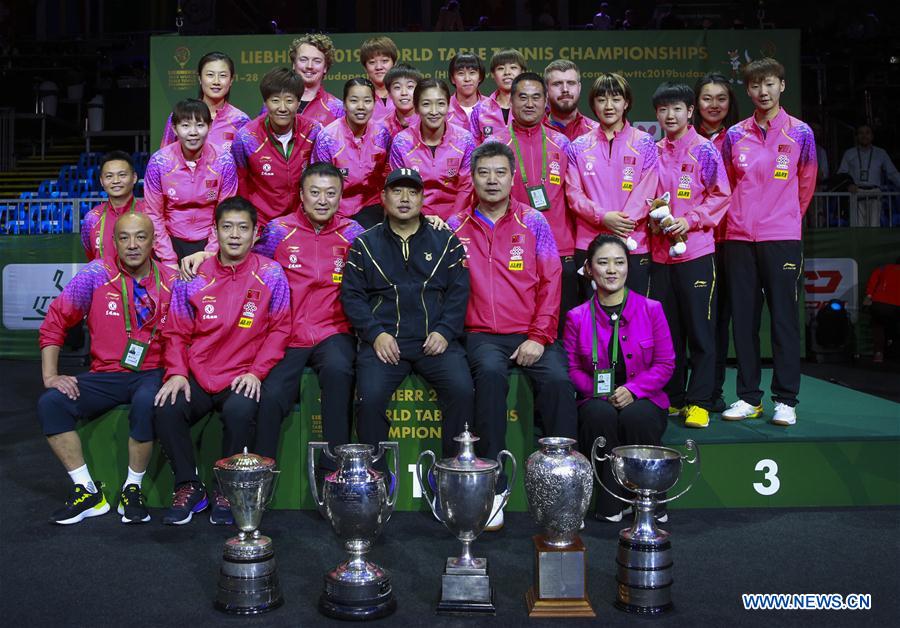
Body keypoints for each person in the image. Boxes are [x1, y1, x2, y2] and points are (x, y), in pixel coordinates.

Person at [449, 142, 576, 531]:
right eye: (484, 172)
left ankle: (563, 487)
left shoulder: (533, 222)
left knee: (557, 382)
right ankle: (494, 488)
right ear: (472, 178)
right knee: (488, 375)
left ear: (512, 177)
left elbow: (552, 280)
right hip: (481, 335)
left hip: (531, 331)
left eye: (500, 172)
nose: (492, 180)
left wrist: (538, 336)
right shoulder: (455, 225)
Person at [154, 197, 290, 525]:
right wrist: (176, 373)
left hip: (242, 375)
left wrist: (257, 373)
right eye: (226, 227)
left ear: (256, 233)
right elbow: (175, 332)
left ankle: (225, 489)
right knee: (166, 407)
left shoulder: (271, 273)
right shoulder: (193, 275)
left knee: (240, 410)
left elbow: (280, 329)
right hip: (200, 373)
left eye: (243, 228)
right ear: (215, 231)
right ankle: (188, 485)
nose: (234, 235)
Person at [38, 213, 177, 524]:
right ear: (113, 243)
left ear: (153, 241)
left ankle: (133, 489)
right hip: (105, 374)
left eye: (140, 237)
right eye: (124, 237)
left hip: (152, 372)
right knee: (51, 405)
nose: (132, 245)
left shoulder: (171, 279)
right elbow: (56, 320)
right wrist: (50, 374)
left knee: (145, 403)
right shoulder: (96, 274)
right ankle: (87, 491)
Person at [341, 168, 473, 471]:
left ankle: (454, 475)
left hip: (435, 341)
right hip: (385, 344)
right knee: (370, 399)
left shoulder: (446, 241)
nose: (404, 199)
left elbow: (459, 292)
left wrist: (444, 331)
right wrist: (376, 334)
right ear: (383, 197)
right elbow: (352, 297)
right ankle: (375, 479)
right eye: (397, 191)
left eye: (412, 192)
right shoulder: (364, 245)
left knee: (462, 390)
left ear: (422, 199)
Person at [720, 58, 817, 425]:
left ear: (782, 86)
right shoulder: (735, 135)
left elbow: (805, 186)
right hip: (739, 238)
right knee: (743, 321)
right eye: (756, 85)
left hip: (782, 238)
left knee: (784, 321)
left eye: (770, 84)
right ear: (748, 90)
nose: (763, 91)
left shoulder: (801, 133)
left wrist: (785, 218)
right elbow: (727, 186)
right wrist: (740, 221)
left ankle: (786, 399)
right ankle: (748, 397)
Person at [252, 163, 364, 468]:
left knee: (340, 372)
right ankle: (261, 475)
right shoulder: (278, 231)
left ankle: (335, 473)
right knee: (272, 394)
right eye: (315, 193)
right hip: (287, 333)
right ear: (301, 195)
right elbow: (253, 272)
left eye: (331, 193)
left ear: (341, 197)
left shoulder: (353, 233)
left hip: (334, 331)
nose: (323, 200)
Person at [564, 234, 674, 521]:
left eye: (619, 262)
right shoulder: (576, 316)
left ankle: (649, 499)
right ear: (589, 268)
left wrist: (634, 390)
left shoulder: (652, 310)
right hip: (597, 397)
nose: (611, 270)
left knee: (637, 416)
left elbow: (665, 363)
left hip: (645, 397)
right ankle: (611, 501)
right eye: (603, 263)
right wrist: (599, 392)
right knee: (598, 415)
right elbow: (573, 368)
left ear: (629, 267)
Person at [649, 83, 730, 429]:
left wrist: (689, 221)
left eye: (677, 109)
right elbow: (645, 196)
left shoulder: (705, 151)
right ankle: (674, 396)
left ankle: (699, 401)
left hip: (696, 252)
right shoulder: (651, 151)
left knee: (700, 330)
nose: (670, 116)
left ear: (690, 111)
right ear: (657, 114)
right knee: (668, 332)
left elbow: (720, 196)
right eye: (664, 110)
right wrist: (653, 219)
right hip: (659, 256)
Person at [480, 72, 576, 331]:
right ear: (510, 101)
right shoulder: (496, 144)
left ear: (546, 102)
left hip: (560, 246)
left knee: (562, 328)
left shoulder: (562, 143)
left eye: (536, 97)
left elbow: (575, 195)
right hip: (511, 247)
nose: (530, 104)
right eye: (522, 97)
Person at [565, 73, 658, 295]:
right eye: (601, 99)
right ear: (593, 104)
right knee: (593, 318)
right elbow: (573, 194)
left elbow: (648, 190)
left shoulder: (644, 142)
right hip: (589, 244)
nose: (609, 106)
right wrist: (602, 217)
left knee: (634, 317)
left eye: (616, 99)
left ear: (626, 103)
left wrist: (622, 225)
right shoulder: (578, 146)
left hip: (634, 244)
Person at [144, 99, 238, 264]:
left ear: (209, 127)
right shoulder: (159, 162)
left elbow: (226, 213)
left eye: (200, 125)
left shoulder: (224, 161)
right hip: (169, 241)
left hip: (212, 241)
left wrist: (209, 254)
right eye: (185, 126)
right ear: (174, 128)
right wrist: (168, 259)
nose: (193, 132)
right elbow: (154, 214)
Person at [694, 73, 739, 413]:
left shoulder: (738, 138)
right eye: (707, 98)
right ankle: (682, 392)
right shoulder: (686, 138)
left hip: (729, 239)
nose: (713, 105)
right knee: (690, 321)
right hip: (693, 241)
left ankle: (713, 390)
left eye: (720, 98)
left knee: (718, 319)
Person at [231, 67, 321, 228]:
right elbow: (241, 185)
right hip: (262, 225)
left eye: (289, 100)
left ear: (299, 102)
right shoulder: (246, 137)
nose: (282, 107)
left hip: (302, 224)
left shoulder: (313, 131)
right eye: (275, 100)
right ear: (265, 102)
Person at [389, 78, 476, 220]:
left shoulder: (465, 139)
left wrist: (453, 221)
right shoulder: (402, 142)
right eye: (426, 104)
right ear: (416, 108)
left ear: (448, 106)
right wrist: (422, 220)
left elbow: (466, 188)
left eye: (440, 104)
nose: (434, 111)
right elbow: (399, 189)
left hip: (457, 218)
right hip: (415, 218)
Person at [311, 78, 392, 229]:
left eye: (367, 101)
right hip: (336, 209)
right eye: (354, 101)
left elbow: (387, 175)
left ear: (374, 104)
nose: (361, 107)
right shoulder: (328, 137)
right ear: (344, 104)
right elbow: (318, 181)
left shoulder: (382, 134)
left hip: (372, 206)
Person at [160, 52, 249, 154]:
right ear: (200, 78)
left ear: (231, 80)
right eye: (210, 75)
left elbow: (246, 164)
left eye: (223, 75)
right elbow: (164, 158)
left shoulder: (240, 120)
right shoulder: (181, 115)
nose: (216, 81)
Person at [81, 151, 146, 265]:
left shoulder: (149, 213)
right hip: (104, 282)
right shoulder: (92, 218)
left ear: (134, 177)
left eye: (122, 175)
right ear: (102, 181)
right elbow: (91, 257)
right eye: (109, 176)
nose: (116, 181)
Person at [837, 124, 900, 227]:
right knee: (857, 227)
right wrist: (848, 185)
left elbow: (892, 173)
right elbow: (841, 174)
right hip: (856, 193)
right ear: (857, 136)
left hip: (875, 193)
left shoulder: (881, 153)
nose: (864, 136)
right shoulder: (849, 153)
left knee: (874, 226)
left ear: (872, 136)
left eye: (867, 133)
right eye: (861, 133)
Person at [470, 49, 526, 143]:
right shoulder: (480, 110)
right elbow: (474, 149)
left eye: (513, 67)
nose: (507, 72)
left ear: (523, 72)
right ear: (492, 74)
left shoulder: (531, 108)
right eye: (500, 68)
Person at [290, 33, 344, 126]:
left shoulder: (338, 109)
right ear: (294, 64)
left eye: (317, 61)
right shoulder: (276, 102)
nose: (309, 66)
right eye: (303, 59)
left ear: (325, 67)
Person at [543, 59, 599, 141]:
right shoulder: (535, 131)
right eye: (557, 84)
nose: (565, 89)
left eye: (571, 83)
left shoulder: (596, 131)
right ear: (546, 90)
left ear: (579, 88)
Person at [864, 260, 900, 363]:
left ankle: (878, 354)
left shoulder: (883, 268)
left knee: (878, 326)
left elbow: (870, 288)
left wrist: (867, 302)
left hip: (880, 305)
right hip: (896, 306)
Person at [359, 35, 398, 120]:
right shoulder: (358, 99)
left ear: (394, 63)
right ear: (365, 67)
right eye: (372, 62)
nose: (379, 67)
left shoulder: (406, 97)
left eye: (384, 61)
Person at [447, 53, 485, 133]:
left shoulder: (492, 107)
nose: (467, 79)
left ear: (480, 77)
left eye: (472, 73)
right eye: (461, 73)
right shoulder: (444, 108)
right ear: (453, 79)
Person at [382, 63, 422, 137]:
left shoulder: (426, 123)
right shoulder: (383, 128)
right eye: (397, 87)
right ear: (389, 93)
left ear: (419, 91)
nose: (404, 93)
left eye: (410, 86)